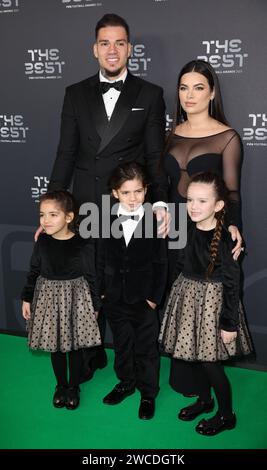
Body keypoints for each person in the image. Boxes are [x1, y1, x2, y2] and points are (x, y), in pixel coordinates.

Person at [37, 13, 168, 381]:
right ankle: (86, 361)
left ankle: (139, 373)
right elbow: (65, 154)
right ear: (95, 49)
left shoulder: (151, 94)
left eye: (120, 42)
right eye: (105, 43)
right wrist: (52, 211)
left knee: (125, 287)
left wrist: (158, 202)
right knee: (87, 285)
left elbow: (155, 155)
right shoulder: (74, 93)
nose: (113, 50)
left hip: (128, 205)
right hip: (87, 204)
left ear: (130, 49)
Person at [161, 59, 243, 396]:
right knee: (179, 303)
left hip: (206, 232)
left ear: (211, 93)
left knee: (205, 307)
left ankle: (207, 386)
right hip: (171, 230)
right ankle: (185, 381)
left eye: (198, 87)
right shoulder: (169, 135)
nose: (189, 95)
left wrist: (234, 227)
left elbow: (232, 191)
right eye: (183, 87)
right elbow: (162, 187)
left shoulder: (227, 137)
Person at [159, 172, 253, 435]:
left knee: (211, 364)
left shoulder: (226, 239)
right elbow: (179, 265)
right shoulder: (186, 228)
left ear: (219, 205)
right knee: (197, 358)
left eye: (202, 201)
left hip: (214, 307)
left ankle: (226, 415)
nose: (193, 207)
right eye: (190, 200)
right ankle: (204, 400)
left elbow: (233, 285)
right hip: (187, 302)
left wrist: (229, 323)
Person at [97, 162, 167, 420]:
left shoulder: (155, 220)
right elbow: (101, 258)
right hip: (114, 297)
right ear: (115, 193)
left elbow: (161, 263)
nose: (133, 198)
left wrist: (153, 299)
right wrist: (102, 293)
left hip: (143, 299)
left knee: (146, 348)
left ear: (146, 190)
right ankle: (126, 382)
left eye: (138, 191)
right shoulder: (105, 218)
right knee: (122, 344)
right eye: (126, 193)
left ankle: (148, 393)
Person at [22, 190, 101, 410]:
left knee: (74, 347)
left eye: (53, 215)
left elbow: (91, 276)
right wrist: (27, 297)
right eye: (42, 215)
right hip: (48, 298)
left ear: (69, 217)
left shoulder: (83, 244)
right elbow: (33, 270)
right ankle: (61, 386)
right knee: (55, 346)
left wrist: (95, 305)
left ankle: (74, 387)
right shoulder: (42, 243)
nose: (45, 221)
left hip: (76, 299)